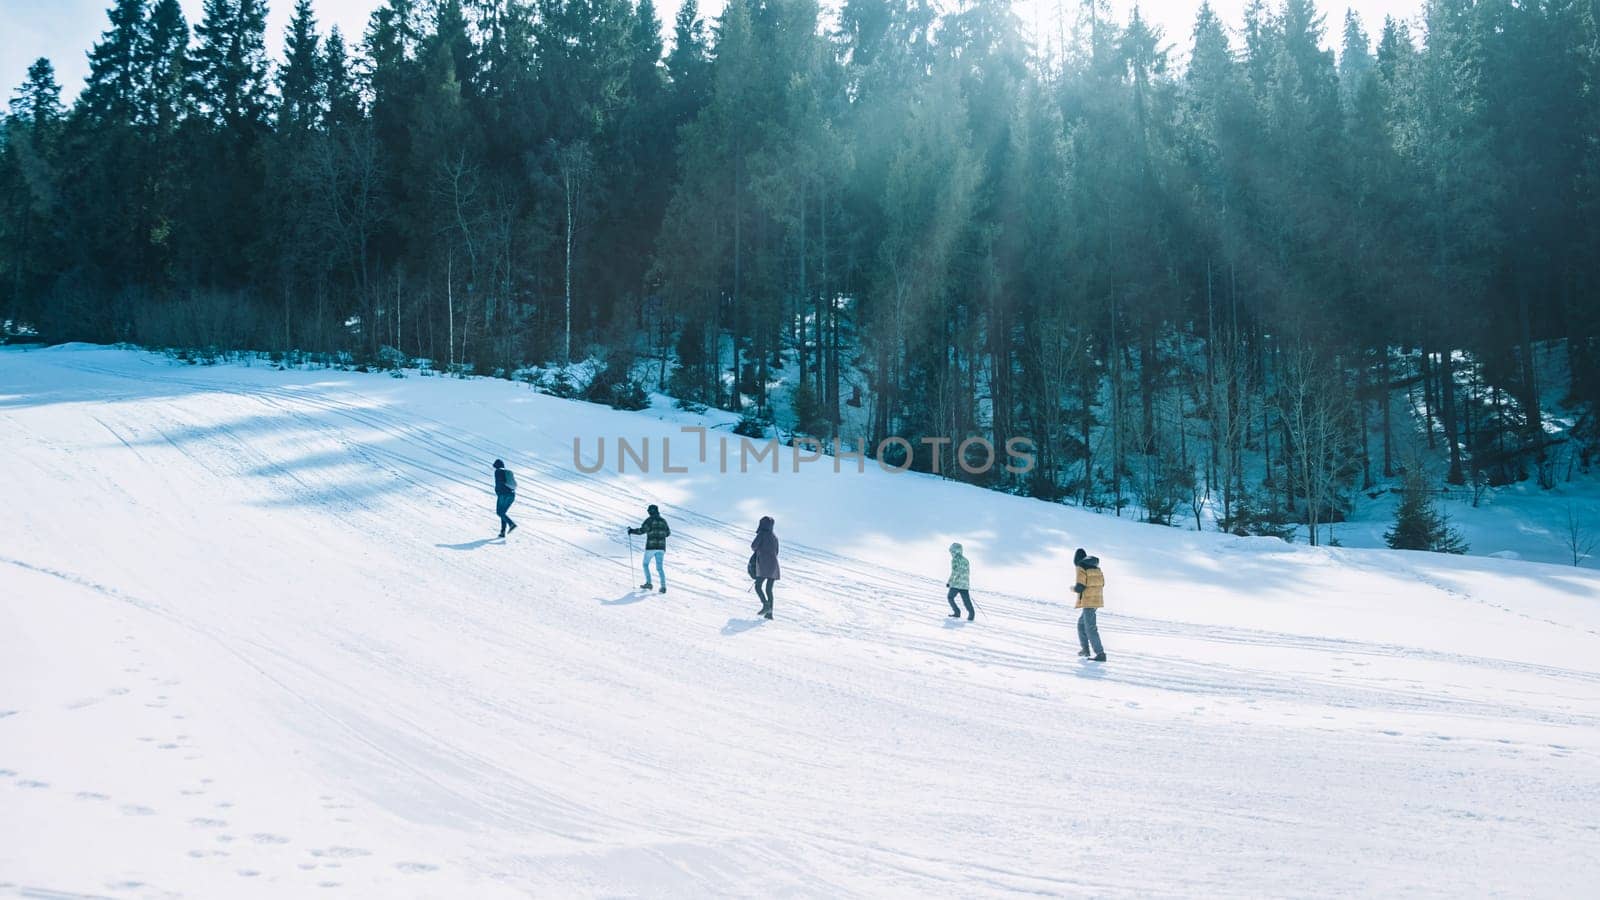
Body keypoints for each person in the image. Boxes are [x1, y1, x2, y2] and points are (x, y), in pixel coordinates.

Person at [628, 504, 671, 593]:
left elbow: (642, 531)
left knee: (645, 564)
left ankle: (649, 583)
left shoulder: (649, 520)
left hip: (651, 547)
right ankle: (663, 587)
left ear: (650, 511)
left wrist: (631, 531)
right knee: (659, 568)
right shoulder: (663, 521)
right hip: (661, 548)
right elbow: (668, 533)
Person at [1073, 547, 1106, 662]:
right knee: (1081, 624)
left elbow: (1080, 586)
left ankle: (1100, 653)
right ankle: (1085, 650)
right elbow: (1103, 583)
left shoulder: (1081, 568)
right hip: (1096, 601)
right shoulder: (1096, 568)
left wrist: (1074, 589)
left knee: (1090, 628)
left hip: (1088, 602)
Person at [750, 516, 780, 620]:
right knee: (769, 590)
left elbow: (753, 546)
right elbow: (777, 551)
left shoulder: (762, 534)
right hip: (774, 566)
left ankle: (766, 605)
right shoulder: (774, 536)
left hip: (763, 564)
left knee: (758, 586)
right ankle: (769, 614)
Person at [946, 543, 974, 621]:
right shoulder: (966, 560)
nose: (951, 553)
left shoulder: (955, 559)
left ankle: (957, 612)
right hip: (965, 584)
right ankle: (971, 615)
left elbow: (954, 572)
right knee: (966, 601)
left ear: (954, 551)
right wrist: (966, 583)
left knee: (950, 597)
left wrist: (949, 582)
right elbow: (967, 572)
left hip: (956, 583)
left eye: (951, 551)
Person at [493, 459, 518, 538]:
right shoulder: (507, 472)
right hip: (512, 494)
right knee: (503, 513)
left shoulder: (498, 471)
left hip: (503, 494)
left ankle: (511, 524)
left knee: (499, 512)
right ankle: (502, 532)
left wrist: (498, 492)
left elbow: (499, 483)